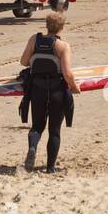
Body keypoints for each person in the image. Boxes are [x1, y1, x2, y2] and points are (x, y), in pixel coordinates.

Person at [19, 11, 78, 173]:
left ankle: (32, 148)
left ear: (46, 25)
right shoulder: (63, 46)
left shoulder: (34, 39)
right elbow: (67, 74)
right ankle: (50, 168)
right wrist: (74, 87)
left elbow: (24, 61)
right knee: (54, 130)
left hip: (37, 89)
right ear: (61, 27)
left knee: (37, 126)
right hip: (56, 91)